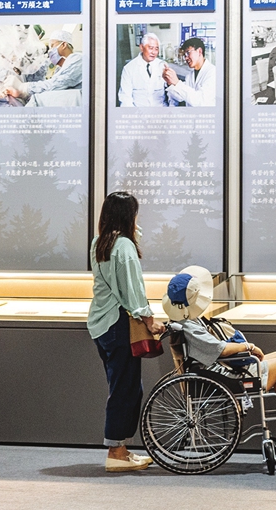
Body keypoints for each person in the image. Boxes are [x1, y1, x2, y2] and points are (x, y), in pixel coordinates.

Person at [162, 266, 276, 445]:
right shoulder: (191, 326)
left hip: (213, 369)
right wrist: (248, 347)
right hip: (222, 376)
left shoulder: (182, 320)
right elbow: (221, 349)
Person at [87, 191, 163, 472]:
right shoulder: (125, 248)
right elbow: (133, 292)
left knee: (122, 386)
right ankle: (116, 452)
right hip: (119, 324)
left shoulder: (100, 243)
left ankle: (120, 448)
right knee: (126, 389)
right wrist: (150, 320)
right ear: (128, 216)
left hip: (100, 324)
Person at [0, 27, 83, 106]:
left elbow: (57, 84)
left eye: (52, 45)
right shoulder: (58, 70)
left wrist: (23, 87)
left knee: (36, 102)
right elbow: (50, 90)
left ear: (64, 45)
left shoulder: (78, 59)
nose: (50, 51)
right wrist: (20, 92)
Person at [117, 33, 168, 107]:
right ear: (141, 47)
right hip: (138, 112)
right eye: (150, 48)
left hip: (160, 111)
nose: (153, 52)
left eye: (156, 49)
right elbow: (125, 98)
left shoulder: (163, 65)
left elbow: (171, 94)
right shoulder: (129, 68)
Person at [164, 37, 216, 107]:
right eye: (185, 55)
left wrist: (177, 82)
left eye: (188, 53)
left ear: (199, 51)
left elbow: (201, 101)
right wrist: (170, 83)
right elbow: (181, 97)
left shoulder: (213, 73)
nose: (186, 58)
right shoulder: (190, 75)